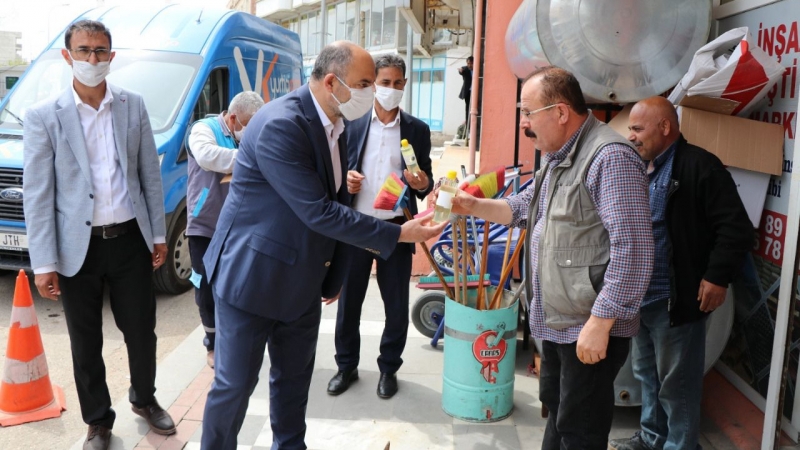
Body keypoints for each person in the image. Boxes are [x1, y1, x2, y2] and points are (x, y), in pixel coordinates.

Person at [200, 41, 447, 450]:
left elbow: (337, 202)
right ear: (332, 81)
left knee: (294, 384)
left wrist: (331, 273)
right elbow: (318, 211)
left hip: (301, 282)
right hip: (253, 279)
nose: (372, 92)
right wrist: (399, 234)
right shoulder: (283, 123)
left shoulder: (334, 124)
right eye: (365, 83)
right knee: (234, 388)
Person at [445, 66, 654, 449]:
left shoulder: (610, 158)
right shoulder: (558, 156)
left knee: (581, 431)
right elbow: (523, 208)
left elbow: (635, 250)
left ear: (560, 112)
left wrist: (601, 322)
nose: (525, 123)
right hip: (559, 323)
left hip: (587, 327)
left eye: (528, 112)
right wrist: (471, 204)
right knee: (559, 415)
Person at [22, 20, 175, 450]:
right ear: (67, 55)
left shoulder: (132, 105)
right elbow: (38, 193)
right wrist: (44, 262)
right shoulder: (43, 116)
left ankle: (144, 399)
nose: (93, 59)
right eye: (84, 50)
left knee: (142, 331)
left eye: (101, 51)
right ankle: (98, 421)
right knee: (85, 340)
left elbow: (150, 174)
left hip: (129, 239)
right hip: (78, 248)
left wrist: (158, 234)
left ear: (111, 55)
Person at [608, 97, 752, 450]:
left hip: (677, 300)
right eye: (630, 129)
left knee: (678, 385)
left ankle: (681, 445)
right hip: (642, 299)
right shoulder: (644, 167)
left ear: (665, 128)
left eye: (638, 129)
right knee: (647, 377)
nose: (631, 136)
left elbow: (737, 229)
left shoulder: (700, 166)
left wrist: (717, 277)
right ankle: (653, 438)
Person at [326, 54, 433, 399]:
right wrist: (349, 183)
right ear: (372, 85)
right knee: (349, 304)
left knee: (396, 306)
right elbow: (335, 178)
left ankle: (389, 368)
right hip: (357, 227)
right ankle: (346, 367)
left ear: (404, 85)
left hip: (397, 228)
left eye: (397, 83)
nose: (391, 89)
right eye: (384, 83)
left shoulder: (417, 129)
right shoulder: (352, 123)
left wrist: (420, 182)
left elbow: (426, 183)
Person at [186, 91, 264, 369]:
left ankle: (235, 340)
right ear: (232, 118)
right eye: (247, 125)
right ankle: (213, 345)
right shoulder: (202, 130)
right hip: (204, 225)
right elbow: (208, 157)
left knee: (236, 286)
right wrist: (250, 156)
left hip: (238, 225)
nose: (250, 133)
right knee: (206, 287)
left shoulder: (246, 134)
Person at [458, 56, 473, 125]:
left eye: (471, 63)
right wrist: (460, 71)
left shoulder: (478, 69)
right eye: (468, 63)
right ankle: (468, 123)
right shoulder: (466, 69)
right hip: (468, 92)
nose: (469, 65)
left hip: (475, 92)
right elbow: (462, 71)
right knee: (467, 108)